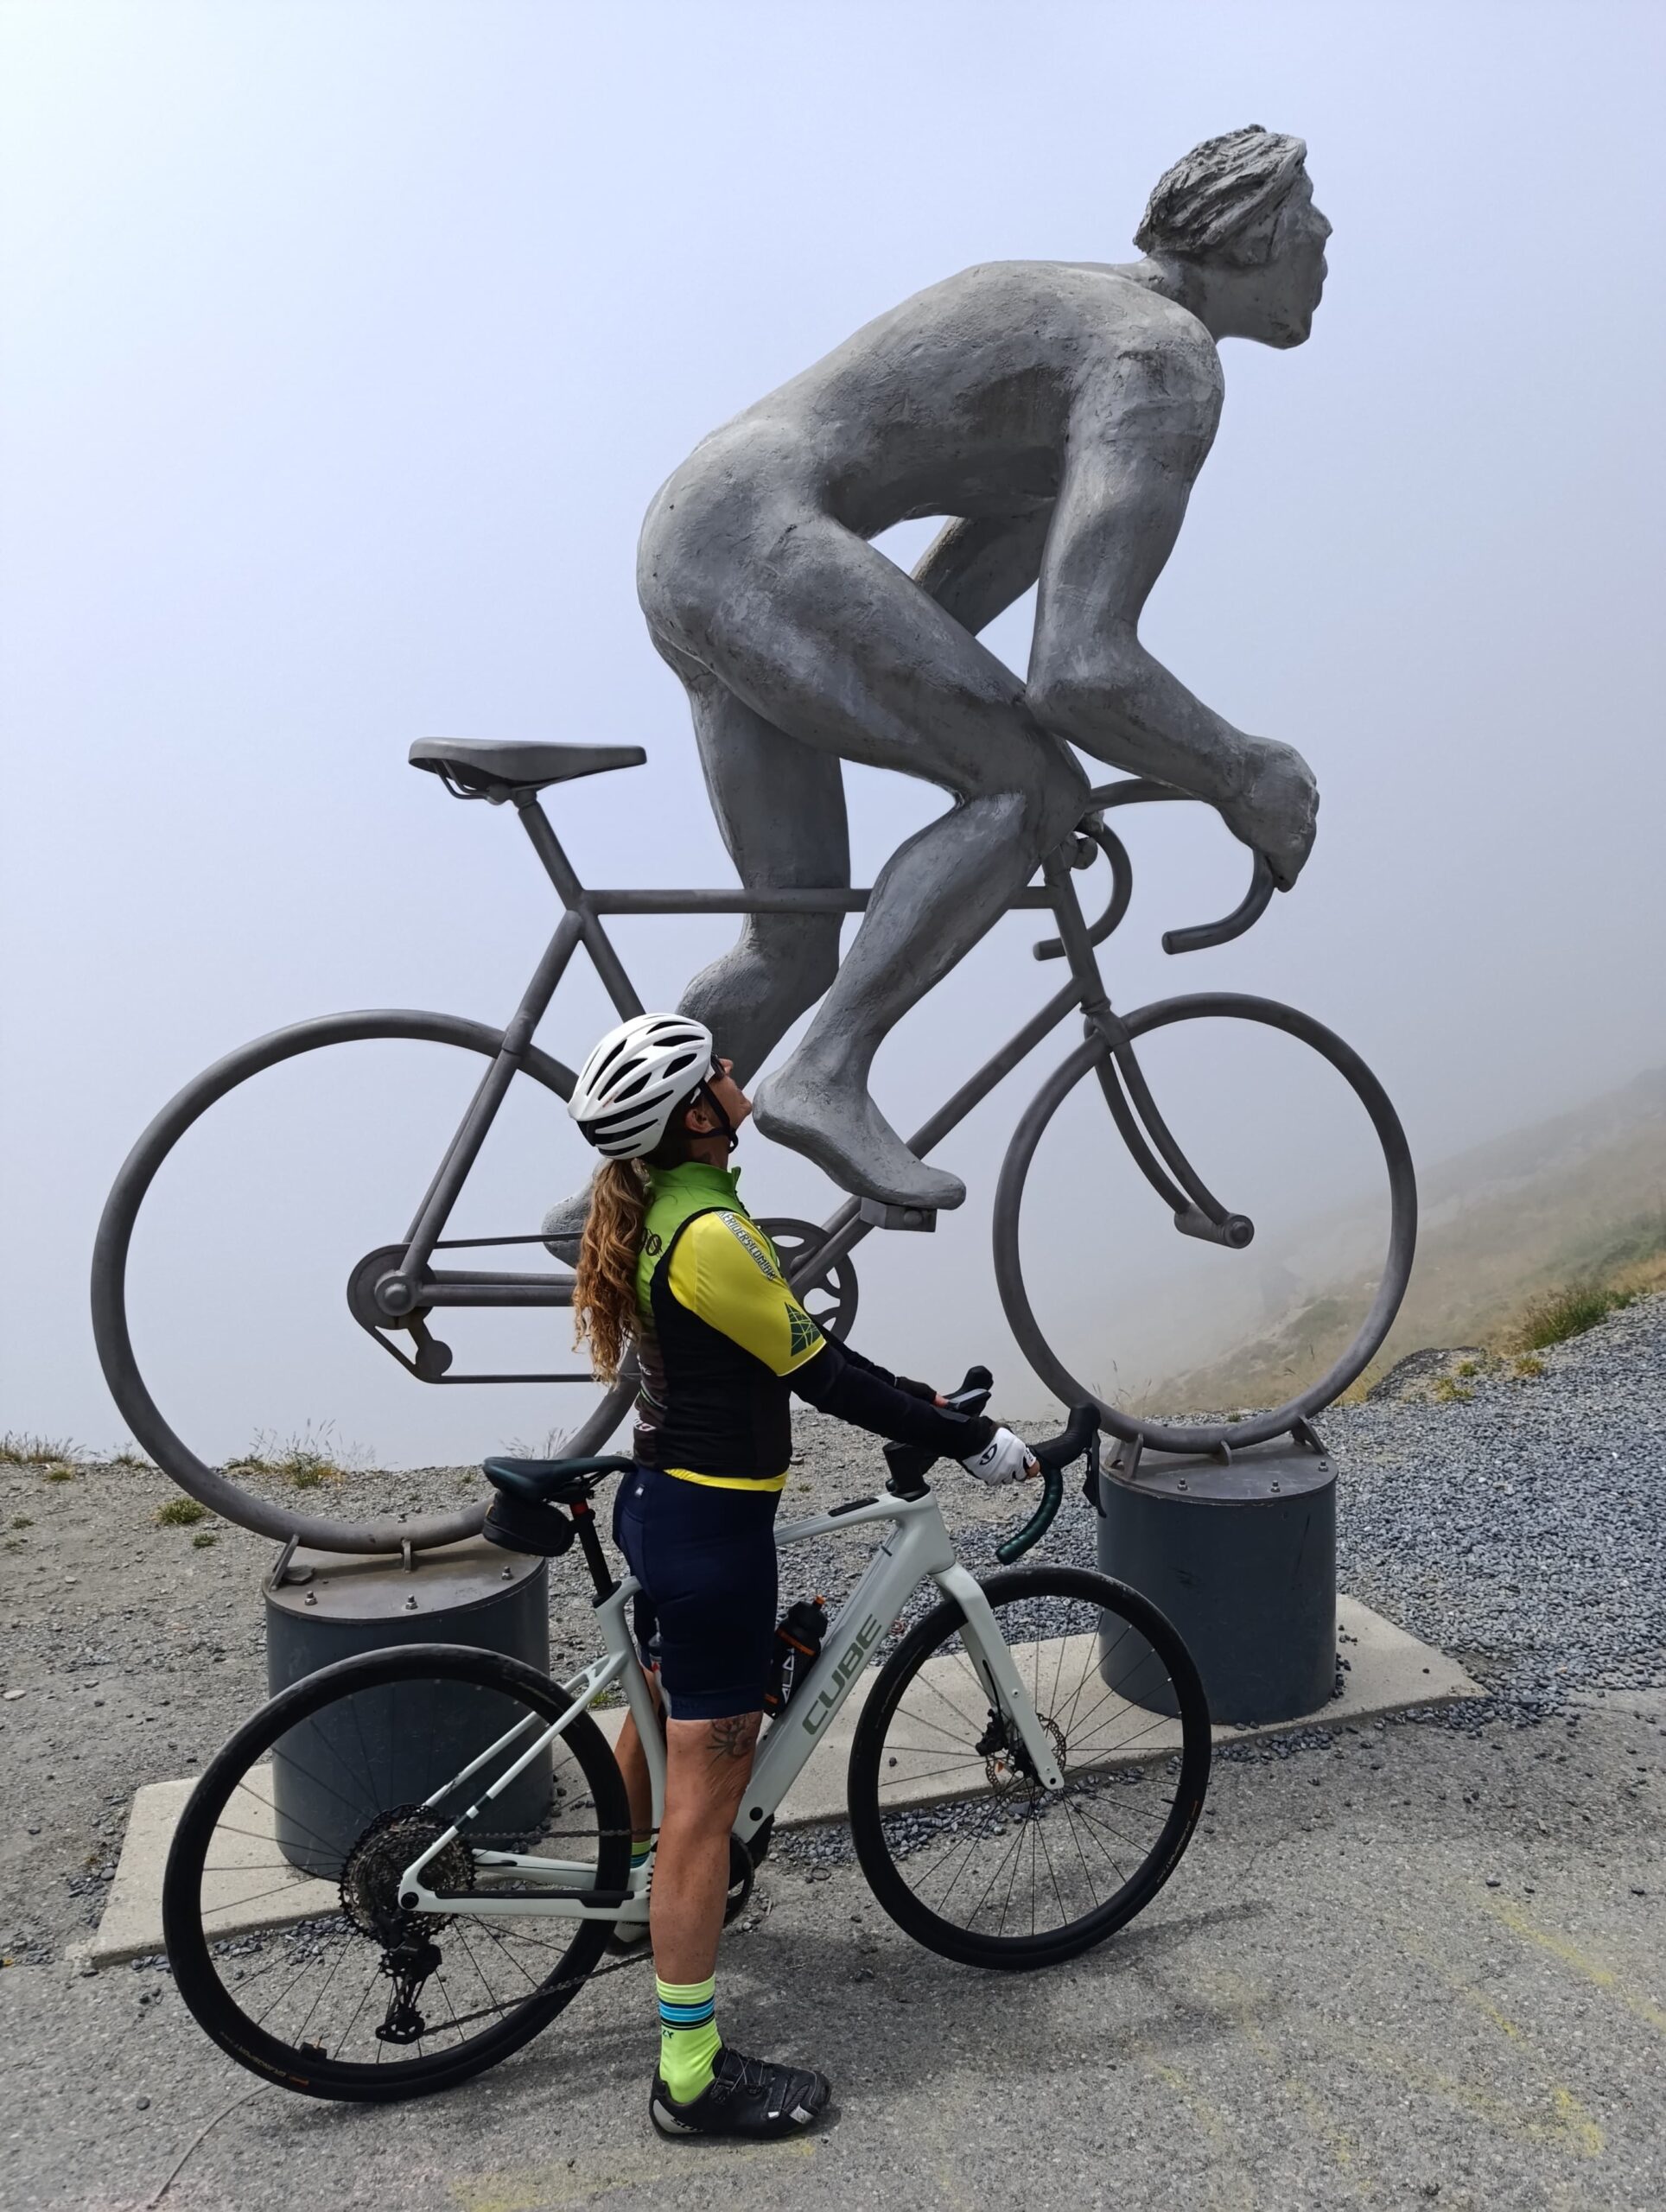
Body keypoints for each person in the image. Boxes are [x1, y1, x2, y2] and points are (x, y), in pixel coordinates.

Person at [630, 124, 1330, 1217]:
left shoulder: (1092, 321)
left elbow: (933, 634)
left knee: (792, 938)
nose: (1327, 239)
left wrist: (1008, 801)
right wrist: (1242, 773)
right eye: (1310, 220)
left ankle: (619, 1186)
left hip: (700, 531)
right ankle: (825, 1072)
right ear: (1256, 237)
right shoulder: (1159, 361)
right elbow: (1079, 672)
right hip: (756, 535)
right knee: (1027, 784)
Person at [565, 1010, 1038, 2139]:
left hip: (665, 1511)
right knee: (707, 1807)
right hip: (712, 1539)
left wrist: (923, 1403)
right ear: (696, 1115)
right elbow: (818, 1372)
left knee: (663, 1704)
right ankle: (688, 2076)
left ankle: (629, 1903)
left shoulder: (664, 1207)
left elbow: (800, 1352)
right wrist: (969, 1440)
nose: (736, 1072)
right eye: (717, 1071)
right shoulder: (710, 1234)